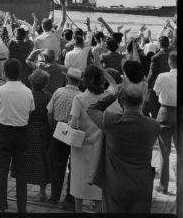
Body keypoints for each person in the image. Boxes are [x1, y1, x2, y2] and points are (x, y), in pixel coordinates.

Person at [87, 83, 161, 212]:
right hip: (142, 186)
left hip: (115, 185)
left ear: (121, 101)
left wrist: (113, 95)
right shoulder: (154, 126)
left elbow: (92, 109)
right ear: (141, 101)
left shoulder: (110, 121)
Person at [0, 58, 35, 213]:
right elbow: (31, 110)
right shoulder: (27, 91)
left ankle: (1, 205)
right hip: (21, 133)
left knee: (1, 170)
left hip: (4, 132)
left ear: (4, 73)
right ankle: (22, 207)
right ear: (20, 73)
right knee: (21, 172)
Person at [69, 66, 107, 213]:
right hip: (100, 144)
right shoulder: (105, 98)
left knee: (78, 180)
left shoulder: (79, 98)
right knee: (98, 183)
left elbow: (73, 124)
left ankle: (79, 211)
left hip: (81, 144)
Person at [11, 68, 51, 202]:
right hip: (42, 130)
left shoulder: (27, 95)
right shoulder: (48, 97)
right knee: (42, 159)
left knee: (23, 159)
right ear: (45, 83)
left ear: (31, 82)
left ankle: (20, 190)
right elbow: (50, 115)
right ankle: (42, 192)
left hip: (26, 128)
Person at [45, 66, 83, 207]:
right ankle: (70, 199)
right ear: (79, 82)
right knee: (74, 167)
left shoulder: (58, 92)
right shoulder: (82, 96)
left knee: (56, 165)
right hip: (75, 132)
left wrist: (53, 126)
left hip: (59, 130)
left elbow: (49, 112)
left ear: (67, 78)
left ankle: (54, 197)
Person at [153, 50, 177, 195]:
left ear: (169, 62)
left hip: (165, 112)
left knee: (164, 151)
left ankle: (163, 186)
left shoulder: (162, 76)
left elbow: (156, 92)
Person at [147, 36, 172, 118]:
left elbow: (152, 75)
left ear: (159, 44)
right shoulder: (174, 54)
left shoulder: (156, 57)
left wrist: (146, 85)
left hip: (160, 86)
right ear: (168, 43)